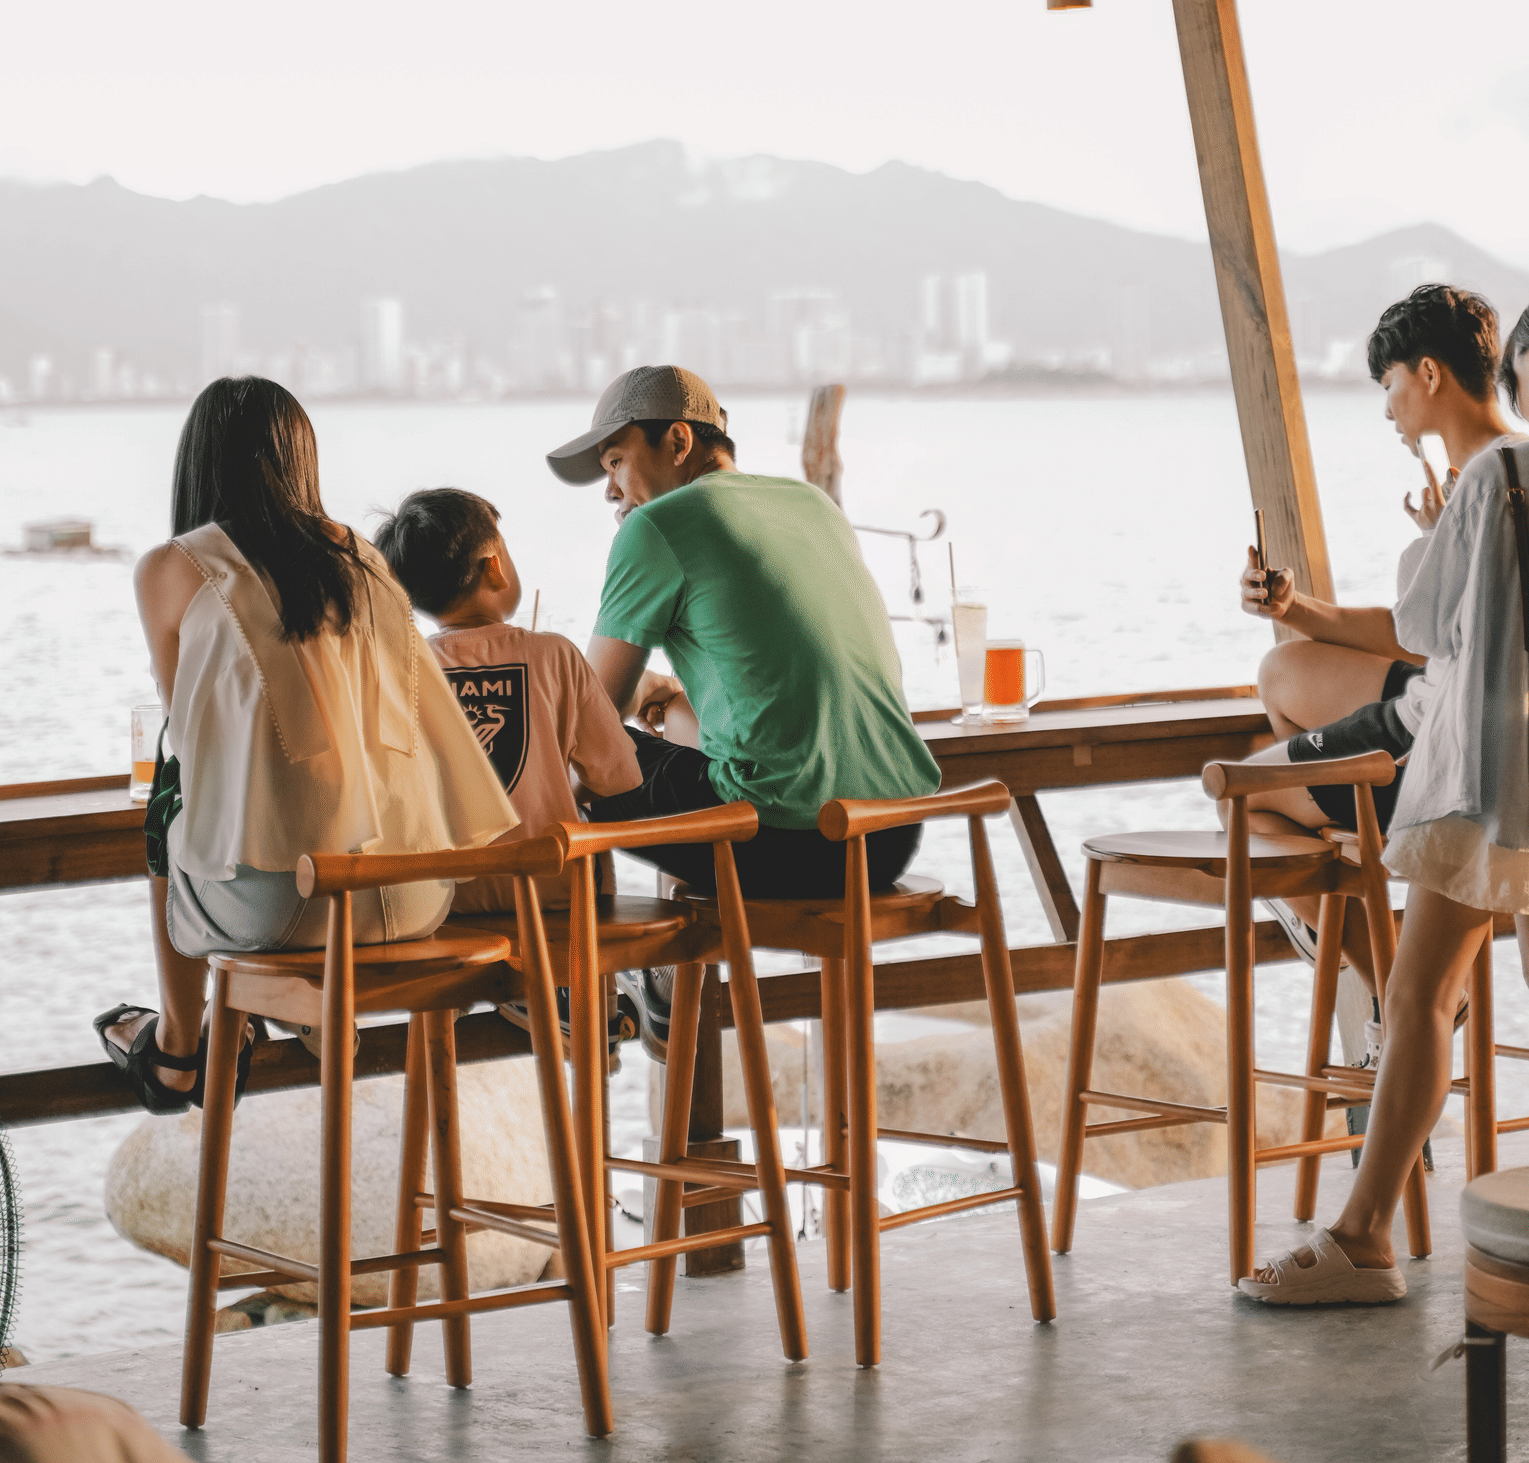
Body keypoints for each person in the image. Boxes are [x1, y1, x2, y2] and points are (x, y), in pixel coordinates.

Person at [1243, 285, 1529, 1304]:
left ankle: (1363, 1237)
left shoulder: (1511, 472)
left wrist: (1442, 526)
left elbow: (1427, 621)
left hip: (1481, 771)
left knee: (1420, 995)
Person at [94, 378, 514, 1112]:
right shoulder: (366, 561)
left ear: (198, 464)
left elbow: (189, 738)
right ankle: (298, 1009)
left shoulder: (172, 568)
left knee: (167, 793)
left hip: (281, 911)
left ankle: (182, 1048)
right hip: (414, 898)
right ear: (301, 460)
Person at [546, 364, 941, 903]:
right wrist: (660, 693)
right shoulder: (813, 505)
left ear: (678, 440)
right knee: (667, 736)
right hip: (891, 835)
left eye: (616, 461)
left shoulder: (656, 526)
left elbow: (586, 724)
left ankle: (569, 982)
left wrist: (632, 696)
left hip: (784, 841)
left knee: (583, 764)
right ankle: (660, 985)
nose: (611, 491)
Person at [1233, 285, 1511, 1007]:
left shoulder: (1481, 486)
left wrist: (1434, 539)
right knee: (1283, 667)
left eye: (1389, 385)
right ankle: (1349, 855)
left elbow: (1417, 635)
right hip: (1463, 703)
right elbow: (1437, 632)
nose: (1388, 408)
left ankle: (1388, 992)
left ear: (1427, 374)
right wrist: (1297, 606)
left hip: (1445, 740)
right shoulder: (1509, 466)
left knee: (1244, 800)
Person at [374, 486, 646, 909]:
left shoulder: (402, 666)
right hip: (552, 900)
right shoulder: (554, 653)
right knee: (592, 841)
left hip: (445, 906)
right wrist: (558, 784)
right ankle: (596, 977)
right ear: (495, 569)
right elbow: (619, 776)